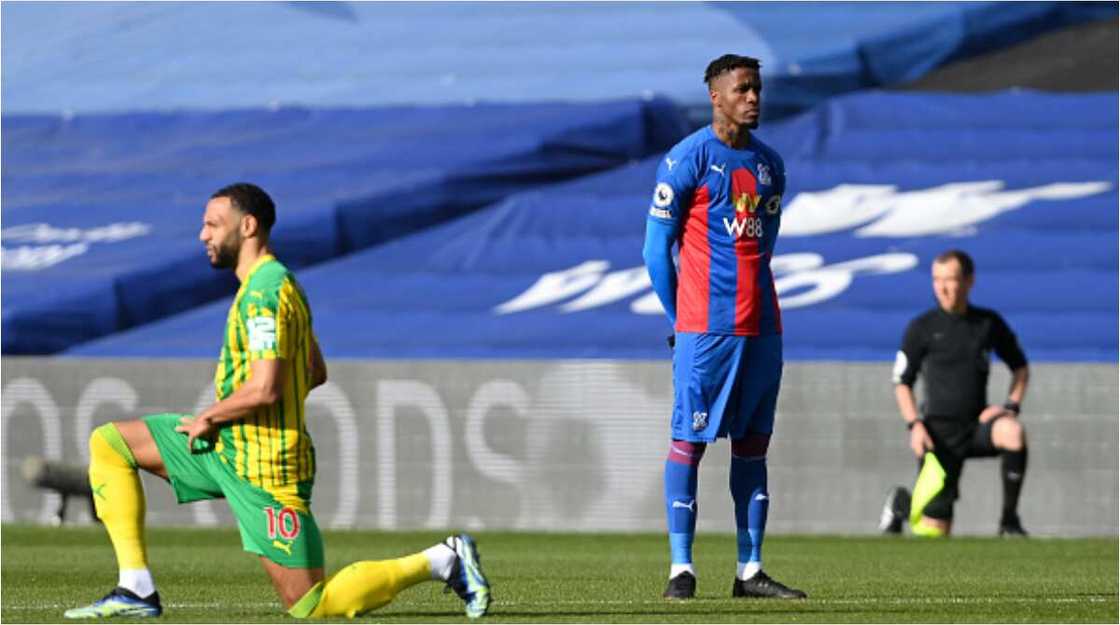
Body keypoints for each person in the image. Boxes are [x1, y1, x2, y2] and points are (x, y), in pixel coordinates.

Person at [64, 183, 491, 619]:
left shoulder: (266, 291)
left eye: (212, 224)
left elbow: (267, 386)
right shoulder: (270, 285)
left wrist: (214, 414)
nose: (202, 235)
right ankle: (135, 587)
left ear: (247, 226)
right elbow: (315, 370)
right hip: (228, 447)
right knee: (111, 443)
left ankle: (443, 560)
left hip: (266, 469)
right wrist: (236, 416)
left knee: (312, 606)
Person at [642, 54, 805, 600]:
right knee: (689, 442)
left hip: (763, 329)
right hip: (706, 331)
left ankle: (749, 569)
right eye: (742, 89)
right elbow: (654, 250)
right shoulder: (687, 159)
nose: (753, 97)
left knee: (754, 447)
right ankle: (680, 569)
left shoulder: (770, 165)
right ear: (716, 96)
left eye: (757, 87)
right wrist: (680, 319)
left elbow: (766, 244)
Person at [880, 249, 1030, 538]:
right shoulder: (922, 327)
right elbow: (902, 382)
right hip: (937, 434)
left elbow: (1020, 368)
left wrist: (1010, 406)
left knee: (1012, 431)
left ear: (969, 281)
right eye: (937, 280)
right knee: (935, 531)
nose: (943, 287)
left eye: (950, 279)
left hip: (976, 425)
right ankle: (901, 507)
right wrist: (915, 425)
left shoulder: (987, 323)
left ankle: (1009, 522)